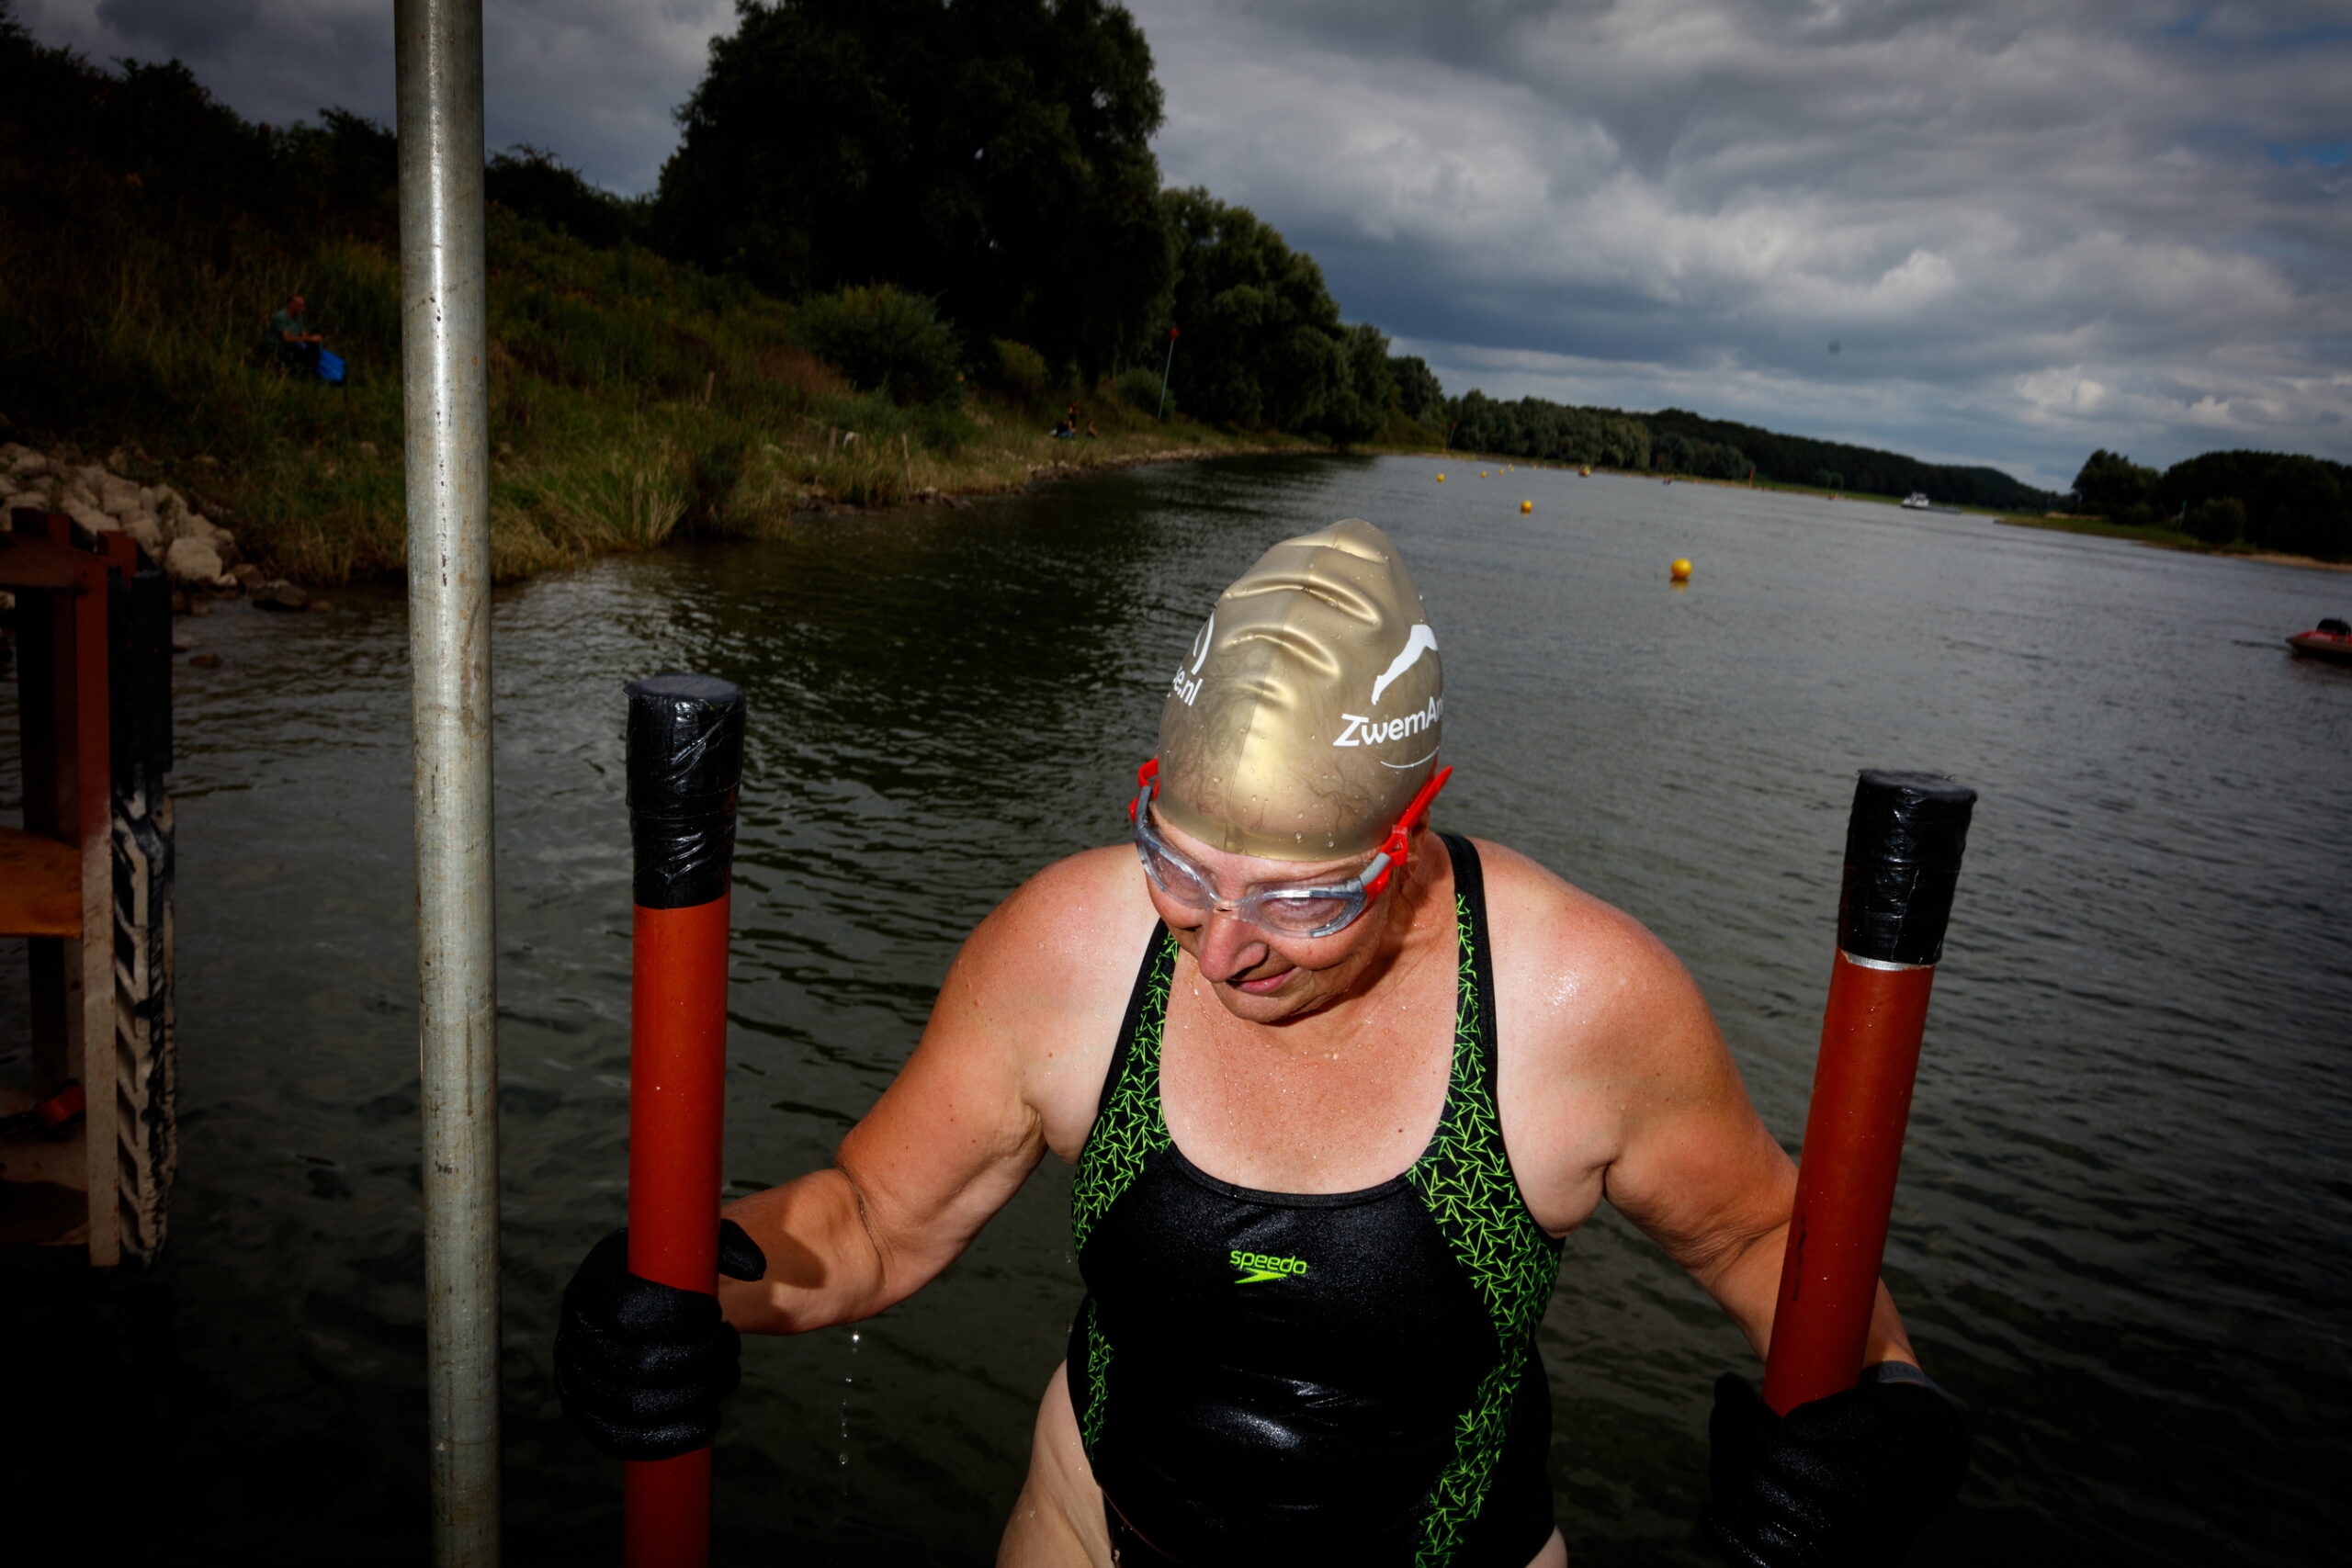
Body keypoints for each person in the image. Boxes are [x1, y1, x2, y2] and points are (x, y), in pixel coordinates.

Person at [556, 520, 1969, 1566]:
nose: (1225, 945)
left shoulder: (1570, 1001)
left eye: (1303, 898)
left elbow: (1763, 1237)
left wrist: (1892, 1402)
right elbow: (872, 1218)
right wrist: (681, 1283)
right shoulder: (1075, 948)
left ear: (1409, 834)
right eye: (1181, 866)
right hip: (1088, 1535)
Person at [268, 294, 343, 383]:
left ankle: (327, 373)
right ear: (291, 305)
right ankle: (308, 374)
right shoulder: (281, 317)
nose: (303, 308)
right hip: (279, 344)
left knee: (315, 347)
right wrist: (309, 339)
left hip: (295, 343)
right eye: (300, 305)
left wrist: (313, 339)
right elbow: (286, 339)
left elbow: (304, 336)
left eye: (303, 305)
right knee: (303, 350)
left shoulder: (298, 318)